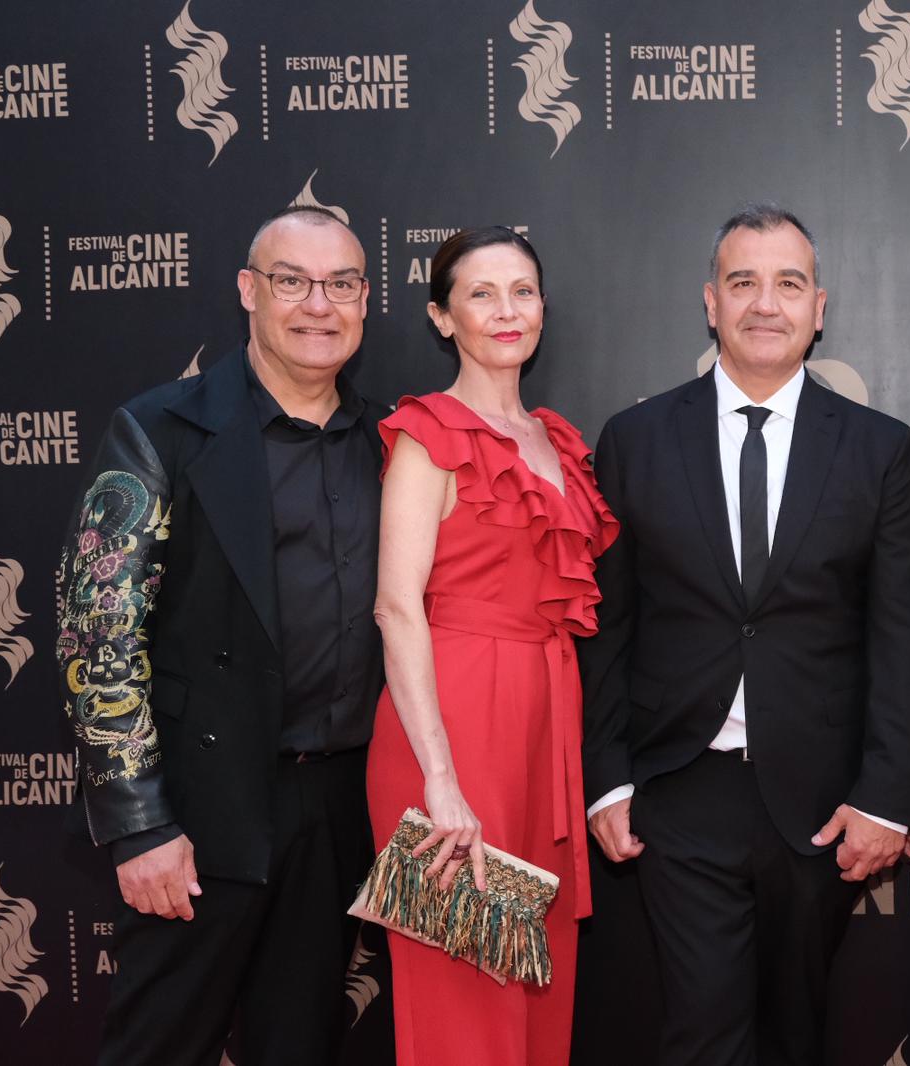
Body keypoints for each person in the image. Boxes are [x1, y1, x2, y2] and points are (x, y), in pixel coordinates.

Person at [578, 203, 910, 1066]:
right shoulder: (634, 439)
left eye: (788, 284)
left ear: (821, 306)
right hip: (679, 784)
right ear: (710, 303)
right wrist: (606, 779)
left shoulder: (880, 449)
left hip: (821, 797)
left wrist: (887, 796)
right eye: (743, 283)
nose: (764, 304)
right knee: (703, 1031)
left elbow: (899, 634)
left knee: (795, 1030)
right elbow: (607, 625)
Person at [54, 205, 387, 1065]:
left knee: (301, 1043)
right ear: (248, 291)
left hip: (338, 810)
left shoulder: (388, 443)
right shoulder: (161, 427)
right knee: (160, 1046)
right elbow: (98, 634)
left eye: (342, 283)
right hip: (200, 811)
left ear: (364, 298)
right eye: (293, 281)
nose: (319, 304)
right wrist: (138, 825)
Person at [367, 225, 617, 1066]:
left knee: (539, 989)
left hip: (547, 732)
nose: (506, 311)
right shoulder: (426, 432)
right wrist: (440, 780)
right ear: (443, 318)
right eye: (481, 294)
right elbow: (398, 609)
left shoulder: (560, 441)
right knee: (463, 1006)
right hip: (452, 729)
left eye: (522, 290)